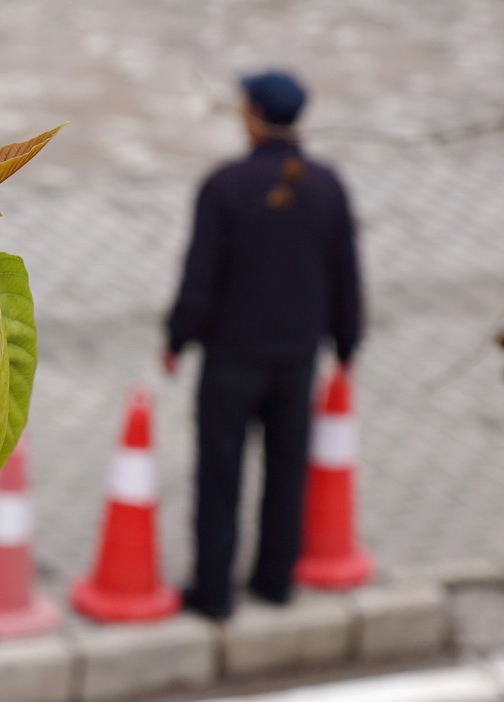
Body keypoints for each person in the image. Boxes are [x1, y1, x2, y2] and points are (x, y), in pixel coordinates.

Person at [163, 70, 363, 621]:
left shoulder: (225, 186)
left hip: (231, 359)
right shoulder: (327, 185)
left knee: (220, 474)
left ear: (250, 114)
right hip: (298, 358)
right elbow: (346, 273)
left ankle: (214, 592)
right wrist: (346, 346)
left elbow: (199, 276)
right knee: (286, 469)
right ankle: (276, 581)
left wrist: (177, 337)